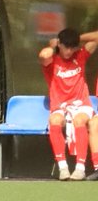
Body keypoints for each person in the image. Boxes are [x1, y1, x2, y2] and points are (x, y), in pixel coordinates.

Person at [37, 28, 98, 180]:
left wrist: (77, 38)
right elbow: (44, 55)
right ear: (60, 44)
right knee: (54, 120)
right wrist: (54, 45)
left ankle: (80, 168)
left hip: (81, 104)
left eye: (73, 47)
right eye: (66, 47)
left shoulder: (80, 56)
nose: (69, 51)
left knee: (79, 120)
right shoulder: (52, 60)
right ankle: (63, 167)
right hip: (60, 106)